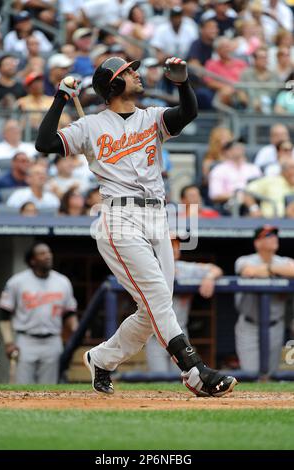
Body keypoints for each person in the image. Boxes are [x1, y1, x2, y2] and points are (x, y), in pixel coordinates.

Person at [35, 55, 237, 397]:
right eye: (127, 72)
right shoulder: (91, 125)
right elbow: (45, 143)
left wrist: (182, 83)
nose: (136, 74)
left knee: (153, 310)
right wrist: (60, 99)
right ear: (113, 84)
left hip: (157, 216)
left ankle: (101, 358)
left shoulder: (152, 116)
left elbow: (188, 114)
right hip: (119, 216)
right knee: (158, 298)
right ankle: (194, 370)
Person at [0, 243, 78, 384]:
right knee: (23, 387)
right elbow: (4, 314)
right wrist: (9, 342)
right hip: (26, 340)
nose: (48, 256)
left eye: (49, 252)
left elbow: (69, 313)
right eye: (42, 253)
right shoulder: (17, 282)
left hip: (52, 340)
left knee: (49, 388)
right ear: (32, 260)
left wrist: (76, 330)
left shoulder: (62, 282)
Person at [146, 237, 223, 372]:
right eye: (169, 245)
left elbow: (216, 269)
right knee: (158, 379)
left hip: (180, 333)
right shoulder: (150, 267)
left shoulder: (185, 268)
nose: (174, 249)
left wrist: (209, 277)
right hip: (155, 335)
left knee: (181, 378)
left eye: (176, 245)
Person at [234, 225, 294, 374]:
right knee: (251, 373)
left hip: (275, 325)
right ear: (257, 243)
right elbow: (249, 271)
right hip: (250, 325)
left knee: (271, 374)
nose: (274, 238)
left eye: (275, 235)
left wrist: (269, 270)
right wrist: (278, 270)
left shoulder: (284, 260)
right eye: (268, 236)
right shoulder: (245, 260)